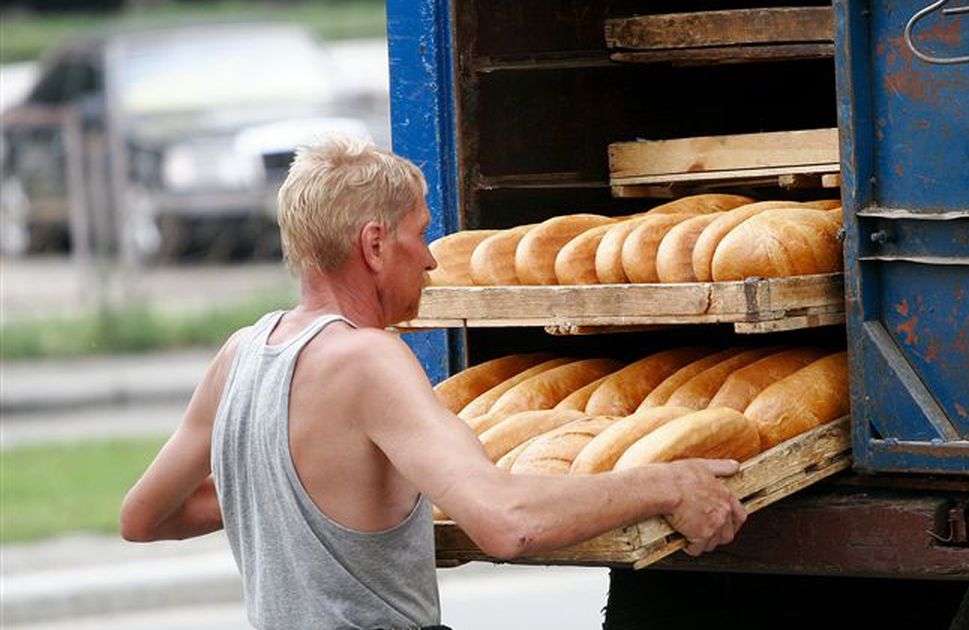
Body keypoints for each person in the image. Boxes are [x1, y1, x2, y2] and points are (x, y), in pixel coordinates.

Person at [120, 136, 747, 629]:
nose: (428, 257)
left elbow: (144, 517)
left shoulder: (240, 354)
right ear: (373, 245)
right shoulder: (368, 359)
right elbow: (508, 523)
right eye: (418, 233)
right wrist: (665, 482)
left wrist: (290, 494)